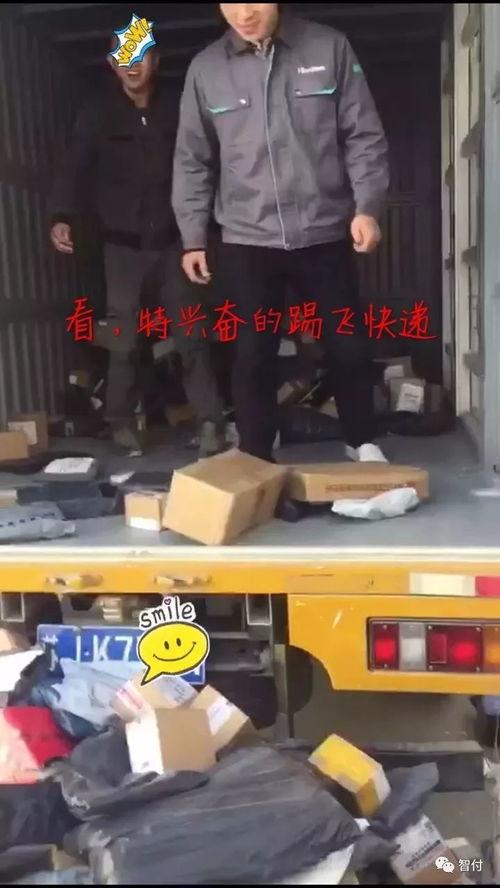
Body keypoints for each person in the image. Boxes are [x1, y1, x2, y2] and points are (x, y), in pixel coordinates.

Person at [172, 3, 390, 464]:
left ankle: (361, 441)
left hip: (324, 230)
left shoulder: (328, 47)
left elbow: (363, 135)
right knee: (253, 352)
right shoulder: (206, 69)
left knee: (346, 343)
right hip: (247, 237)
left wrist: (367, 208)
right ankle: (255, 452)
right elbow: (192, 159)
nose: (243, 13)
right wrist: (193, 235)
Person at [49, 39, 225, 456]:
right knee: (124, 340)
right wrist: (61, 214)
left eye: (140, 56)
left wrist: (215, 225)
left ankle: (211, 423)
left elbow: (207, 162)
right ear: (112, 64)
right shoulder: (97, 113)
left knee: (191, 336)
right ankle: (120, 423)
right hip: (122, 249)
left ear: (155, 61)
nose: (132, 65)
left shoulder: (178, 107)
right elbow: (75, 166)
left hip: (175, 245)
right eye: (123, 58)